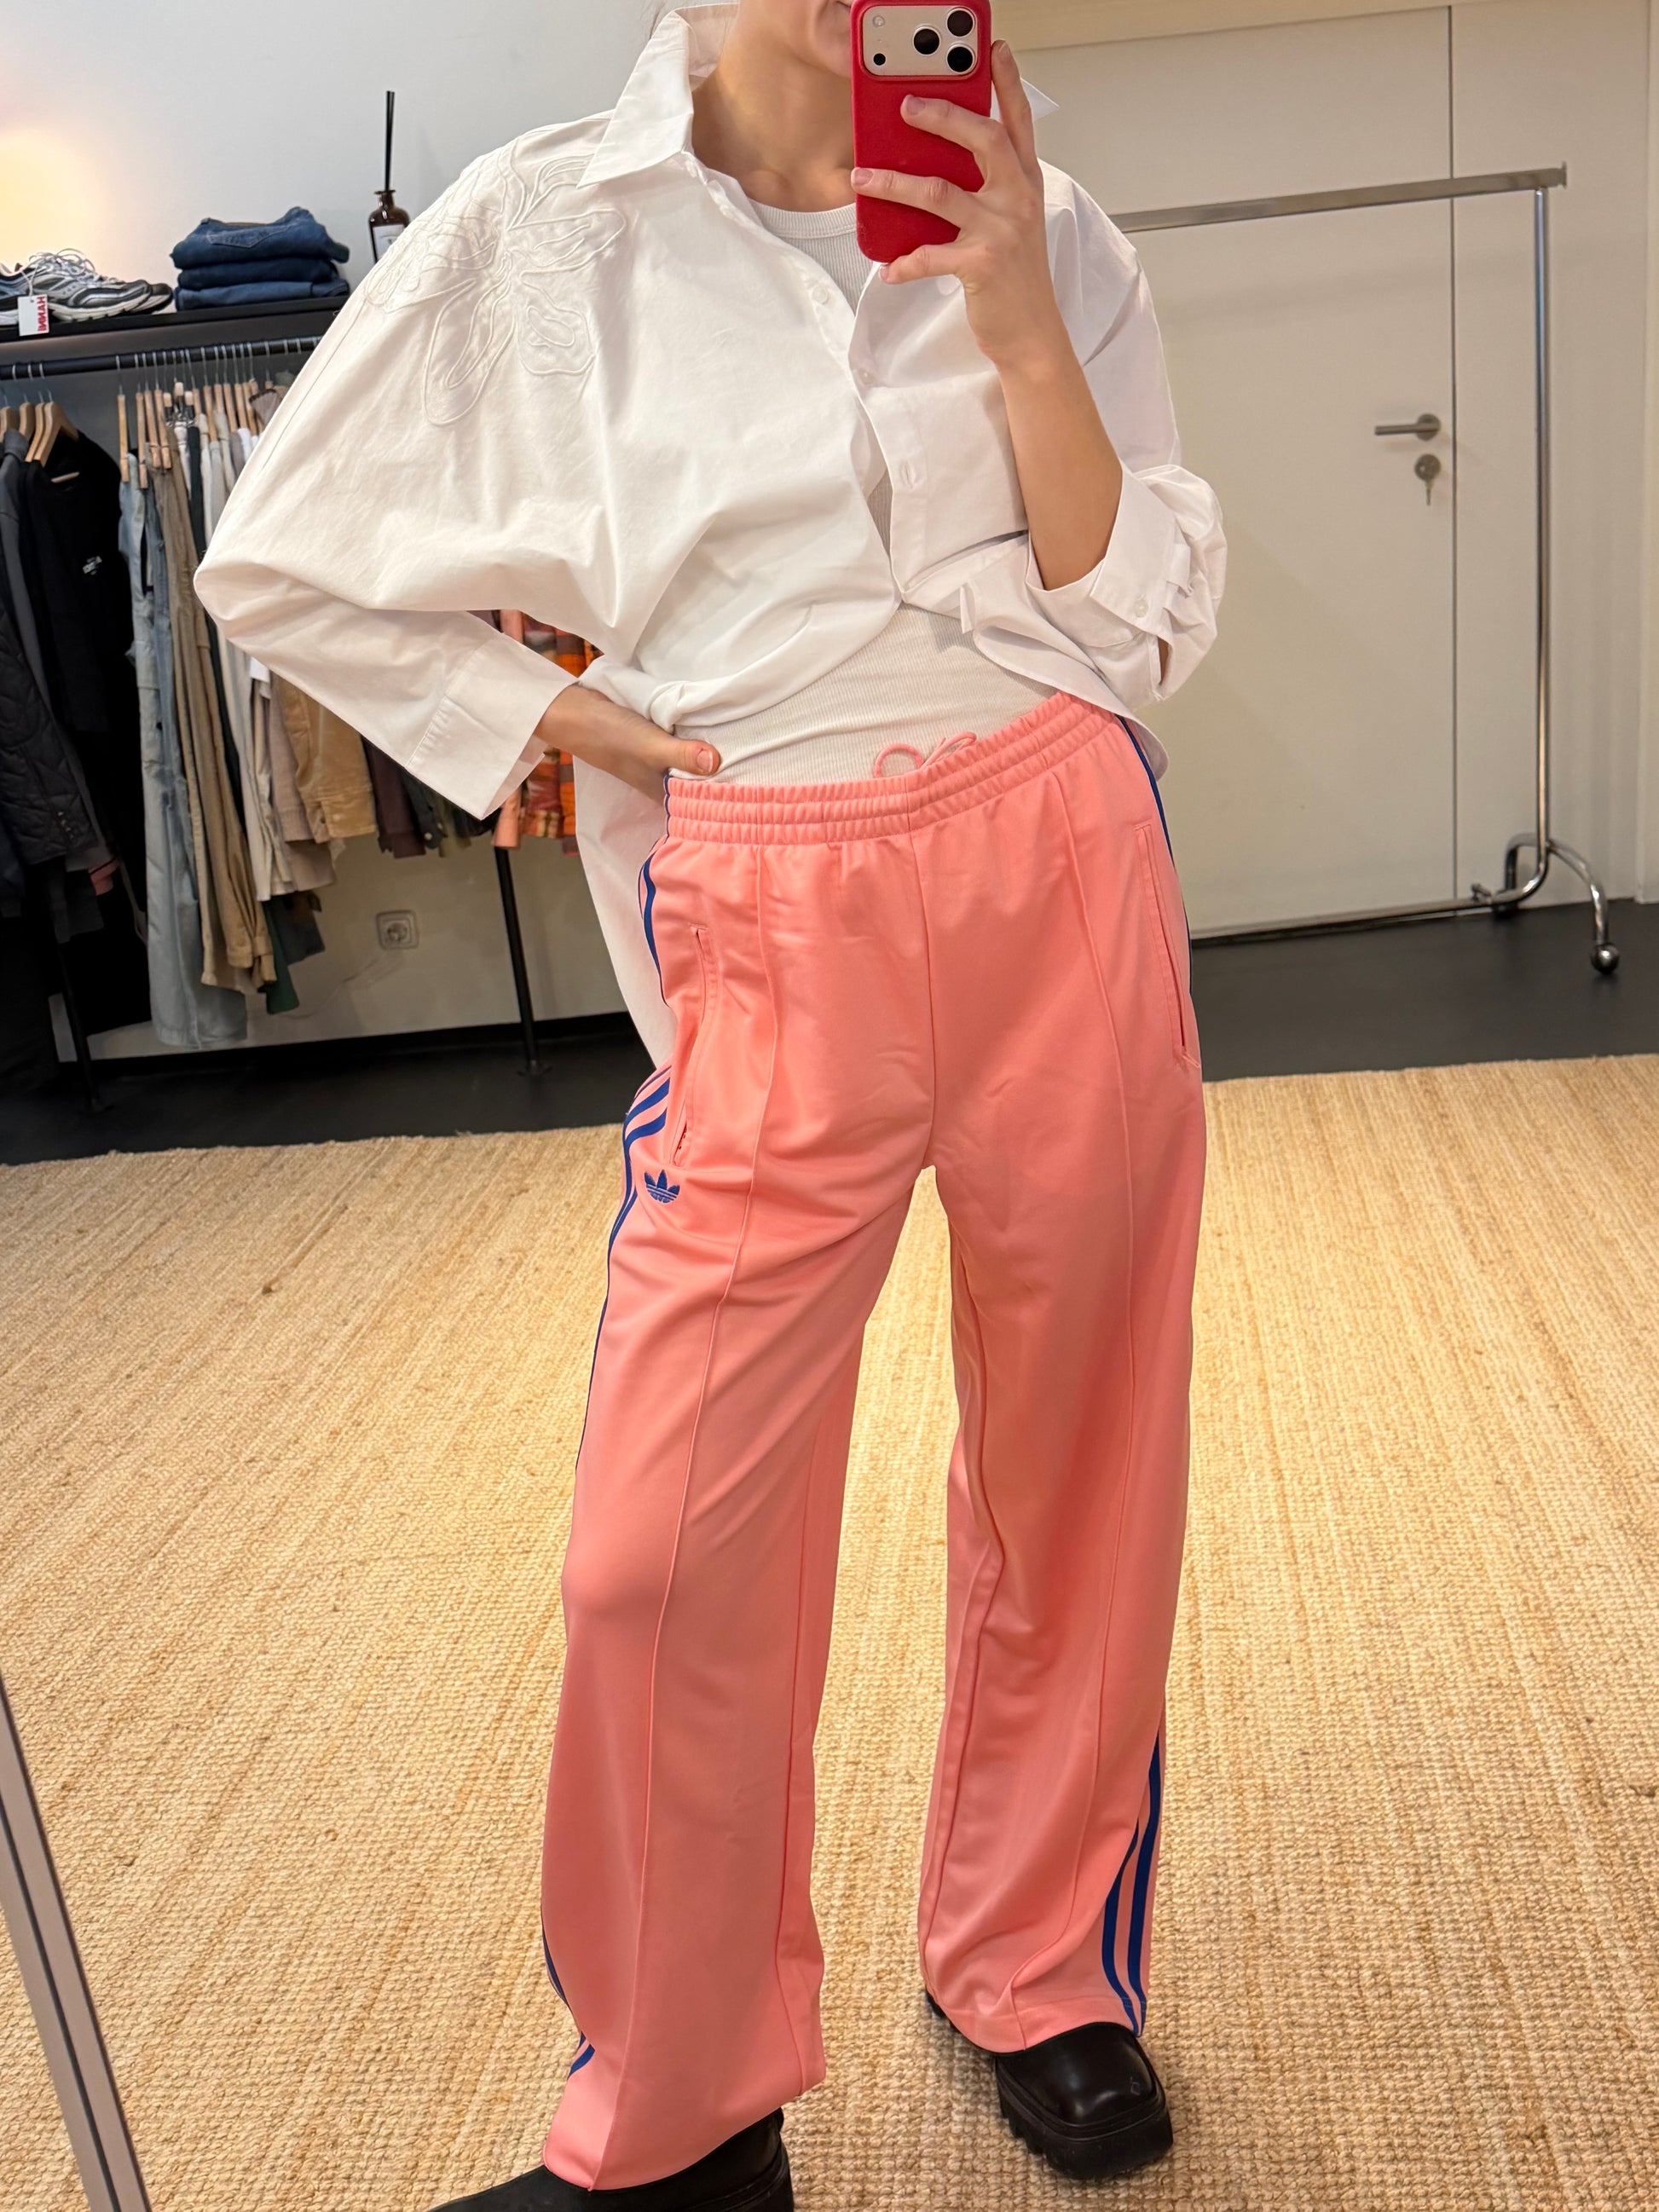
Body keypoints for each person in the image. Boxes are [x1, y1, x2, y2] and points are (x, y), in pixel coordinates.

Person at [196, 4, 1225, 2205]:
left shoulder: (1041, 216)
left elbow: (1142, 629)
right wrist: (559, 719)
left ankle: (1035, 1964)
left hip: (1056, 839)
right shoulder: (538, 231)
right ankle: (680, 2106)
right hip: (765, 885)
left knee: (1083, 1460)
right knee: (654, 1554)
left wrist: (1019, 315)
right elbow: (273, 558)